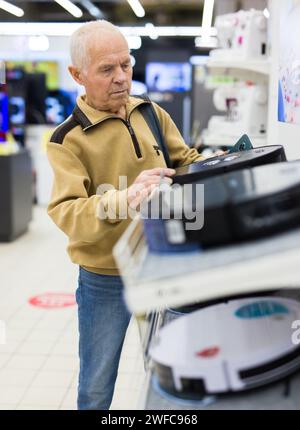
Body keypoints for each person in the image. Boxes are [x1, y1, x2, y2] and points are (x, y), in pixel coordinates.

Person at [46, 20, 204, 410]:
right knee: (96, 387)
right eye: (106, 69)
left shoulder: (152, 113)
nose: (121, 78)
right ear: (77, 74)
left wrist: (224, 165)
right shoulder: (66, 140)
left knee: (172, 377)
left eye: (126, 65)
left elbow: (186, 162)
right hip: (105, 278)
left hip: (164, 265)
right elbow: (65, 211)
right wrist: (126, 198)